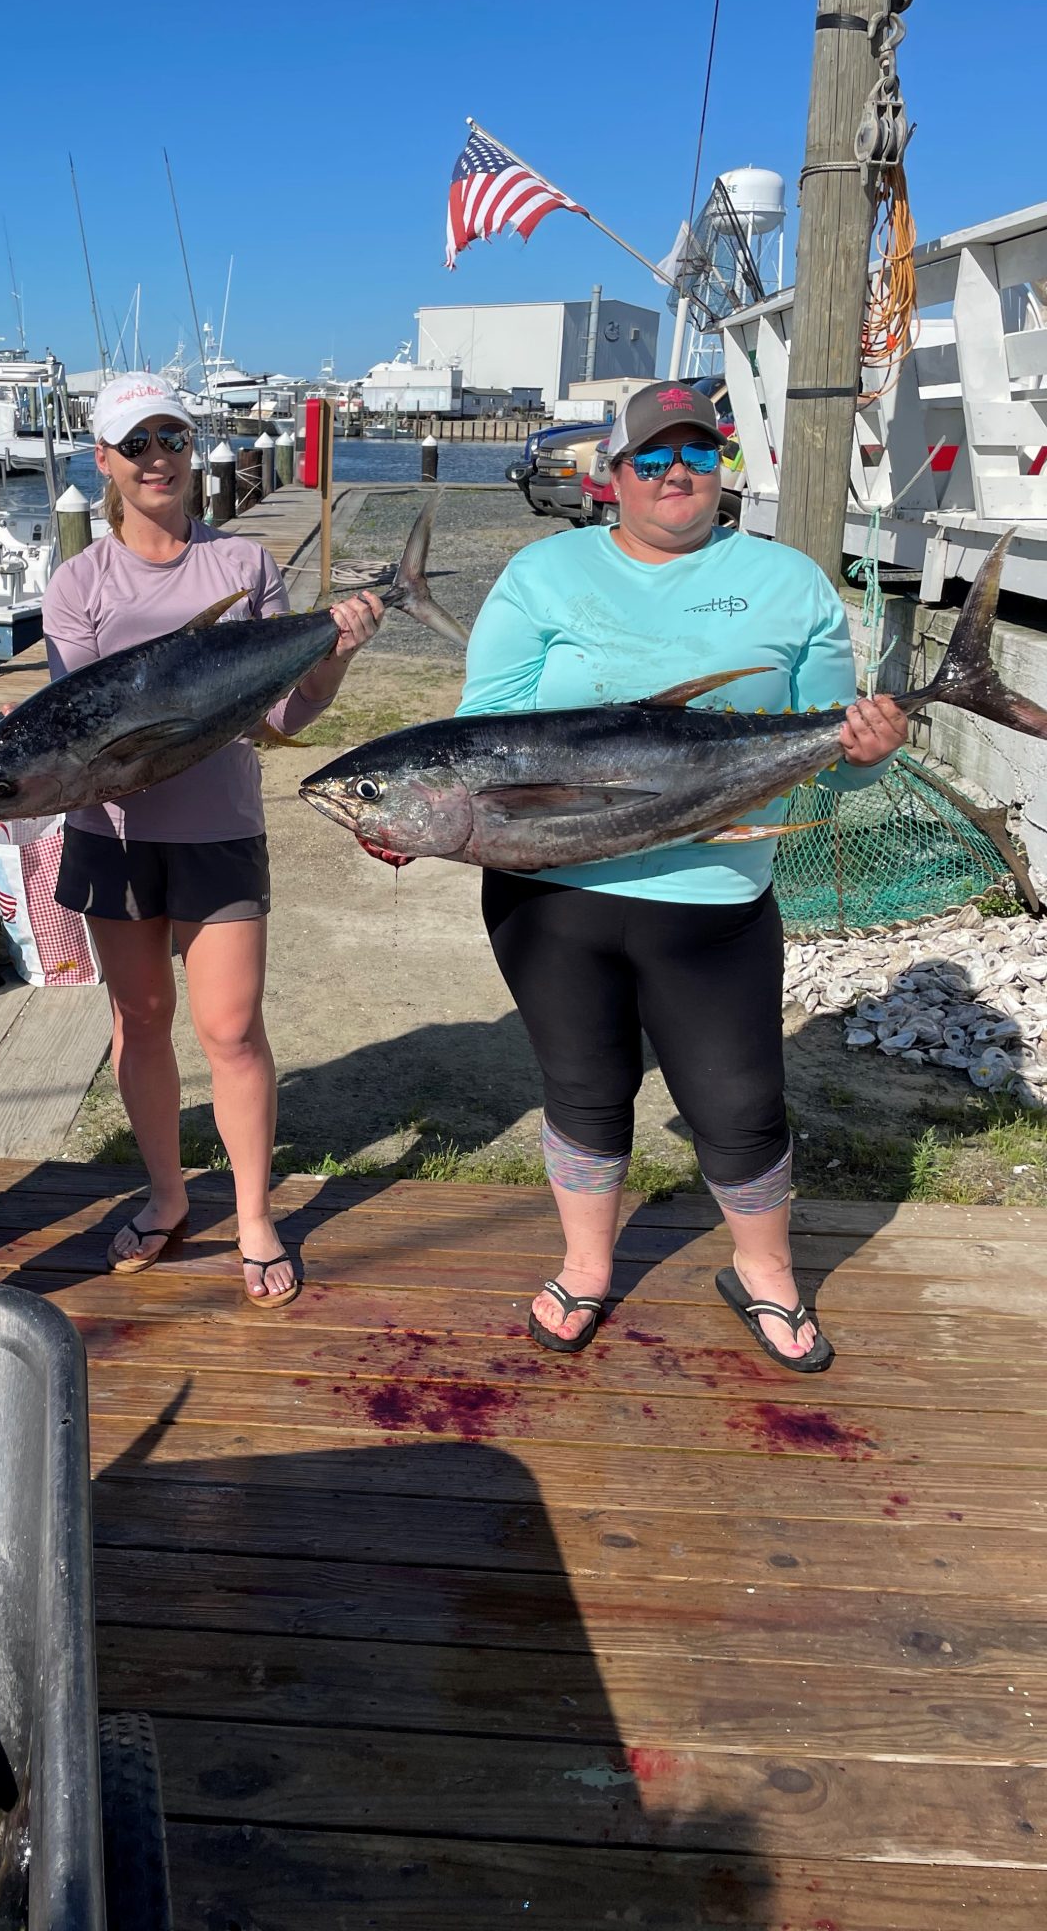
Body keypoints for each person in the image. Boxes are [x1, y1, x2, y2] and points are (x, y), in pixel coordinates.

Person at [452, 381, 907, 1371]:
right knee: (582, 1086)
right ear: (612, 477)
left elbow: (831, 737)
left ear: (723, 471)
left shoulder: (788, 582)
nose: (677, 475)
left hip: (712, 895)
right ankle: (585, 1264)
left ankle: (767, 1273)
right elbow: (480, 734)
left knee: (738, 1099)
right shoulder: (544, 573)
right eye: (652, 459)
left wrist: (868, 743)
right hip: (552, 896)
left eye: (698, 456)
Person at [44, 372, 384, 1307]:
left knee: (231, 1028)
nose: (159, 457)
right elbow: (82, 729)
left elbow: (280, 722)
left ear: (192, 454)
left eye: (174, 439)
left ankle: (254, 1215)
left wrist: (333, 659)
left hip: (219, 827)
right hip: (109, 834)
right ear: (104, 460)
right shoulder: (76, 583)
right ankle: (165, 1198)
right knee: (140, 1020)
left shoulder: (246, 568)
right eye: (138, 442)